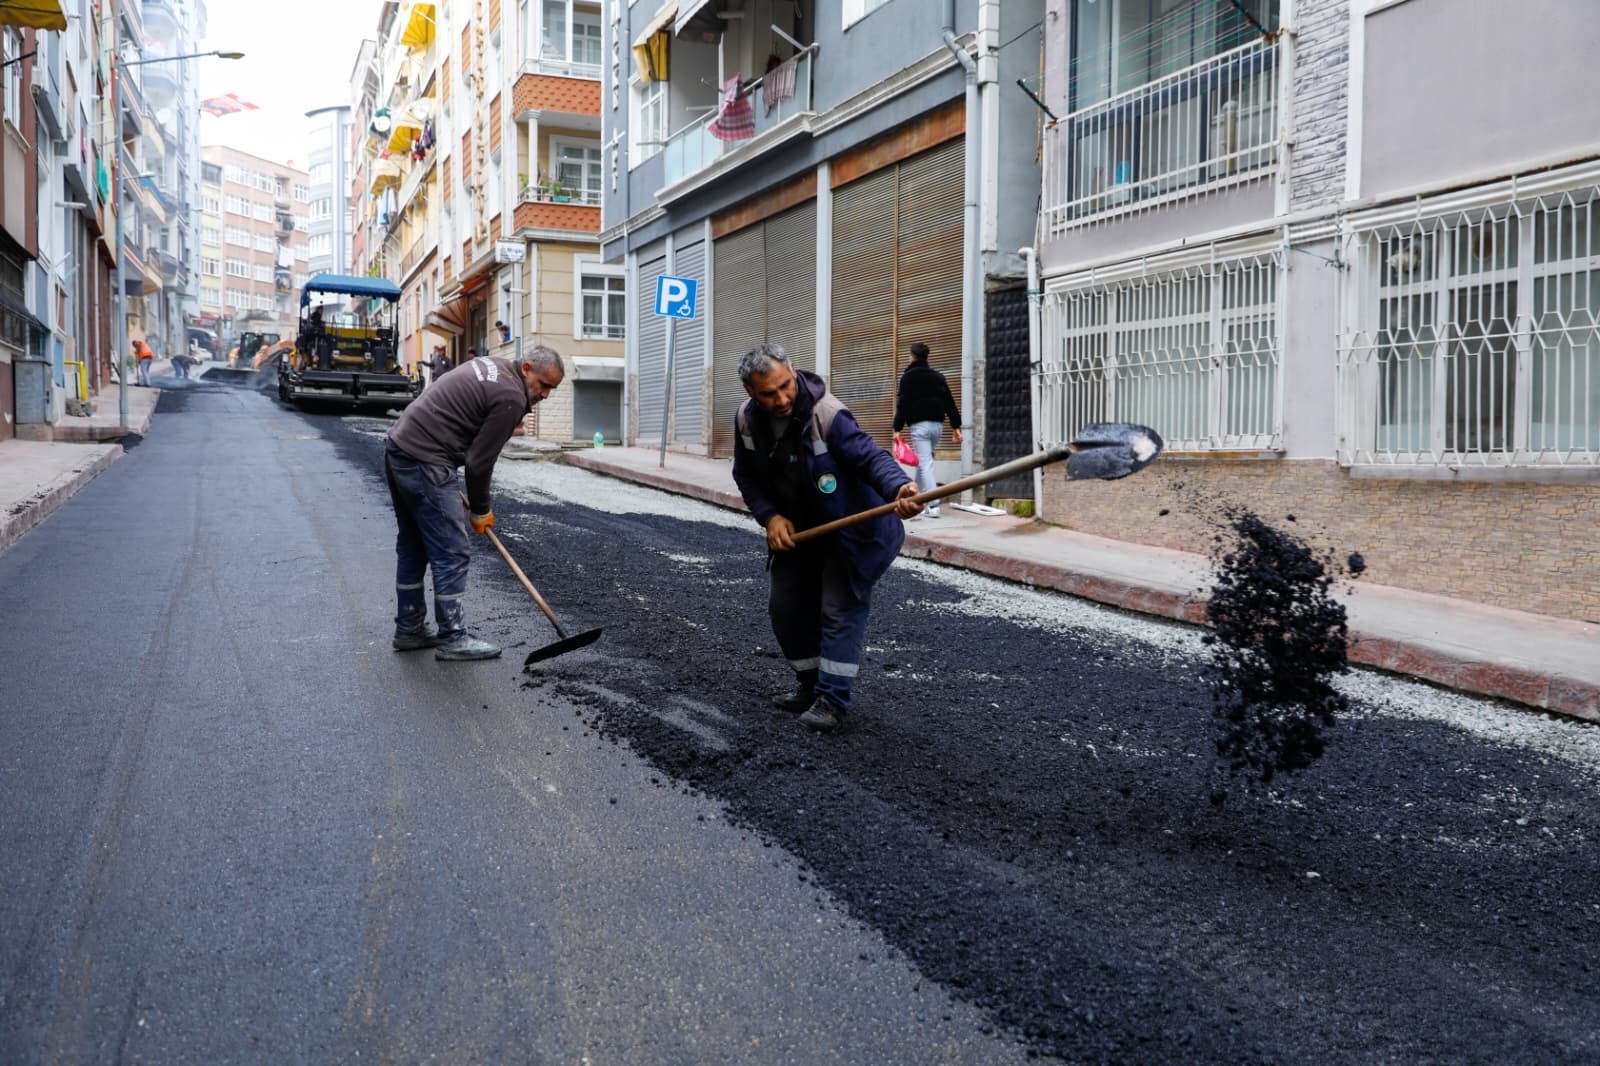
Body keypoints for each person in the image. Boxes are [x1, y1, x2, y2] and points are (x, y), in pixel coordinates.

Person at [731, 343, 923, 733]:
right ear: (751, 392)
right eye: (769, 393)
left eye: (786, 385)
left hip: (852, 531)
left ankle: (833, 700)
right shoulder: (747, 422)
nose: (782, 398)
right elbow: (746, 476)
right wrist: (770, 517)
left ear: (793, 370)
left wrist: (900, 488)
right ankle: (810, 686)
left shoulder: (828, 415)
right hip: (803, 532)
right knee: (785, 607)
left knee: (838, 608)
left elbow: (870, 457)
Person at [384, 345, 566, 660]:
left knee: (414, 544)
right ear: (526, 368)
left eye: (552, 388)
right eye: (544, 384)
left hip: (401, 447)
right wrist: (481, 509)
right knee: (451, 550)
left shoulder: (495, 366)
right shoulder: (511, 396)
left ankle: (410, 628)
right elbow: (479, 462)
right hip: (427, 458)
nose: (546, 395)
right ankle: (453, 638)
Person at [891, 341, 963, 518]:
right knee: (923, 463)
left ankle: (933, 505)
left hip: (920, 426)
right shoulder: (938, 377)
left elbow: (903, 403)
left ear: (912, 357)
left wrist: (897, 428)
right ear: (926, 357)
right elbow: (949, 403)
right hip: (937, 427)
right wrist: (956, 426)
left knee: (925, 464)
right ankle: (915, 499)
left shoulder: (908, 377)